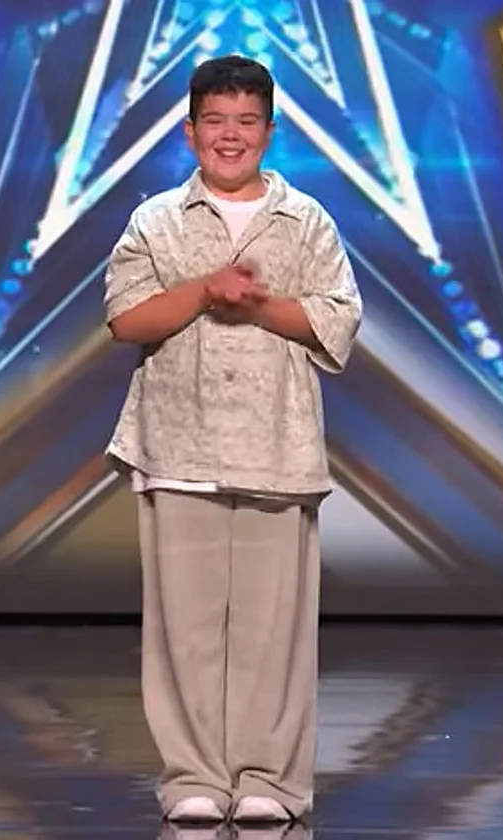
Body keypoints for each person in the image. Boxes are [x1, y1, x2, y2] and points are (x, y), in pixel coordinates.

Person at [102, 55, 363, 825]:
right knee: (185, 627)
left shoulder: (307, 221)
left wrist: (253, 304)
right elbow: (125, 319)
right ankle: (193, 775)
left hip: (278, 449)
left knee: (270, 629)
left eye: (246, 122)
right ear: (190, 130)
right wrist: (204, 291)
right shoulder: (154, 221)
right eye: (216, 121)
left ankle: (269, 781)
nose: (230, 135)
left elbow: (336, 321)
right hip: (175, 445)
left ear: (269, 132)